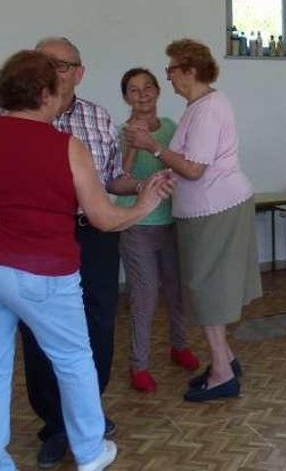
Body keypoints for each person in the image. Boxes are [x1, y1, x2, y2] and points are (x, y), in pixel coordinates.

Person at [0, 50, 172, 471]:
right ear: (43, 94)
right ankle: (90, 452)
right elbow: (102, 216)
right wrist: (143, 205)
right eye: (57, 89)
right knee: (74, 359)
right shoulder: (65, 146)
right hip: (39, 270)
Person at [125, 38, 262, 403]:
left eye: (170, 70)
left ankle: (222, 373)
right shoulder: (199, 106)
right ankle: (226, 360)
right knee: (204, 291)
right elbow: (187, 164)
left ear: (190, 70)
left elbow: (196, 169)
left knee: (206, 292)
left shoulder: (207, 109)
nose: (167, 77)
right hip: (208, 207)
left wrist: (153, 146)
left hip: (213, 208)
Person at [116, 68, 198, 393]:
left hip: (171, 222)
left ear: (157, 91)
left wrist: (152, 144)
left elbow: (181, 165)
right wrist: (135, 142)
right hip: (136, 225)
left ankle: (179, 346)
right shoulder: (121, 132)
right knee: (145, 296)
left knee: (177, 291)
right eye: (134, 90)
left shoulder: (171, 128)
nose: (143, 95)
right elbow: (118, 176)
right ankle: (139, 364)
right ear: (126, 97)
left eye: (148, 87)